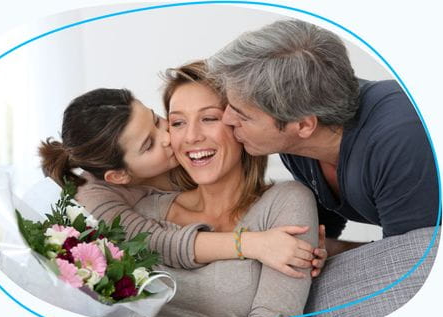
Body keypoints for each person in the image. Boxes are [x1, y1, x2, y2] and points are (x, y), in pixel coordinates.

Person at [207, 19, 439, 256]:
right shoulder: (298, 141)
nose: (226, 119)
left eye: (242, 116)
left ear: (304, 125)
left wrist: (334, 250)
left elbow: (412, 261)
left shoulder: (402, 140)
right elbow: (321, 233)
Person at [39, 87, 325, 277]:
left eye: (157, 120)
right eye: (149, 144)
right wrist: (251, 245)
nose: (169, 137)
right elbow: (155, 243)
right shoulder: (93, 201)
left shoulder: (195, 159)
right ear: (120, 176)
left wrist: (307, 250)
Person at [130, 61, 318, 317]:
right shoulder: (145, 211)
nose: (192, 137)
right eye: (178, 123)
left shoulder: (285, 203)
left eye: (209, 118)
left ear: (239, 124)